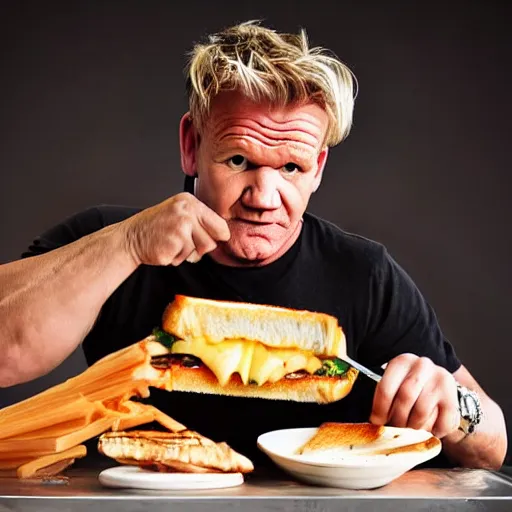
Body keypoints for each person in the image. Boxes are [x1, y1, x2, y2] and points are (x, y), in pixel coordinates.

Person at [0, 21, 506, 469]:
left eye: (292, 168)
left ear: (319, 169)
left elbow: (494, 445)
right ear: (192, 145)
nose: (265, 198)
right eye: (239, 160)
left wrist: (454, 408)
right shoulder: (105, 240)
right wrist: (127, 243)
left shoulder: (363, 272)